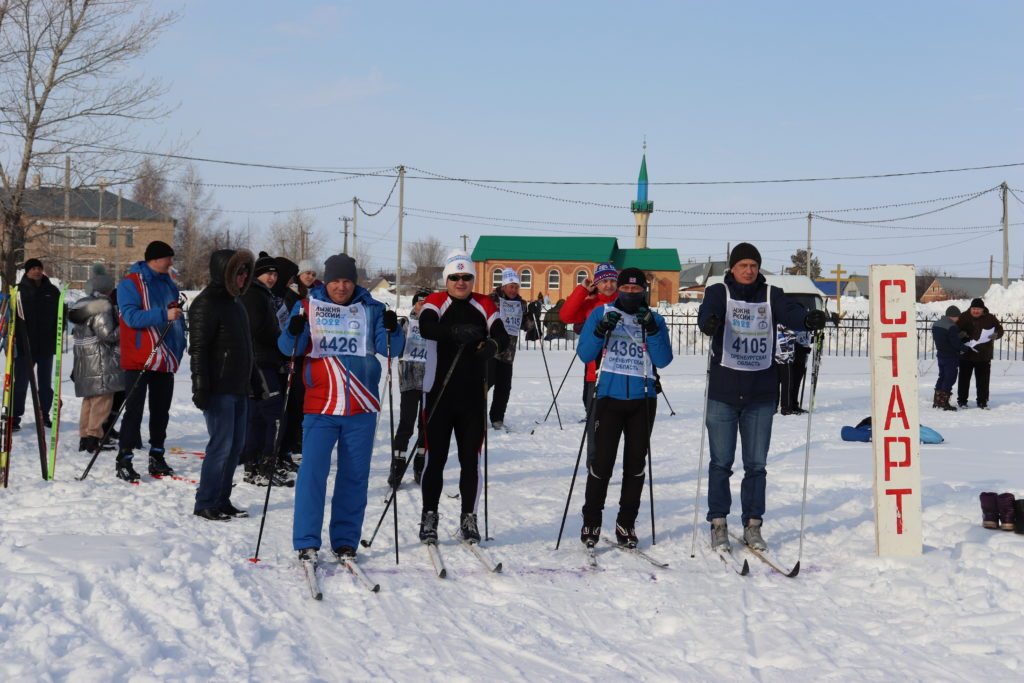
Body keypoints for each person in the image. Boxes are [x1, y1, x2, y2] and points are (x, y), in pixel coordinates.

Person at [697, 243, 827, 552]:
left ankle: (753, 524)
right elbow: (706, 315)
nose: (748, 270)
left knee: (756, 465)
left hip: (760, 394)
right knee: (721, 463)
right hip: (723, 393)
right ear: (732, 268)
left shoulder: (771, 294)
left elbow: (791, 312)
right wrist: (709, 323)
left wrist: (808, 320)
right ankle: (718, 522)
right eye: (742, 265)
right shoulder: (719, 292)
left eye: (753, 265)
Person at [279, 253, 402, 562]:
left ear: (354, 281)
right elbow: (287, 348)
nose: (341, 286)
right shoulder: (309, 306)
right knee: (312, 475)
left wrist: (393, 329)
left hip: (361, 405)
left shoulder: (372, 309)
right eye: (335, 280)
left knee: (354, 476)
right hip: (321, 404)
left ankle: (345, 541)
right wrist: (294, 329)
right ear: (327, 281)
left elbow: (394, 350)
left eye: (347, 280)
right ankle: (307, 540)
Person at [416, 250, 509, 544]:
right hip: (439, 393)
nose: (460, 282)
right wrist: (455, 332)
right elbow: (427, 327)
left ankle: (469, 517)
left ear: (473, 279)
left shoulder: (483, 302)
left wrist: (492, 346)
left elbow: (501, 334)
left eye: (466, 277)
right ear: (447, 279)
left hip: (472, 396)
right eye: (455, 277)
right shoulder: (435, 302)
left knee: (471, 460)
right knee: (436, 459)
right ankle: (429, 515)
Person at [576, 267, 672, 548]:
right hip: (608, 397)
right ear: (618, 289)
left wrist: (652, 330)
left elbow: (664, 359)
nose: (631, 293)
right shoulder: (602, 312)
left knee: (635, 465)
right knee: (601, 463)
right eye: (626, 289)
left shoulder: (654, 318)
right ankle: (591, 520)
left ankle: (626, 522)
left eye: (636, 289)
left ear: (644, 290)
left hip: (643, 400)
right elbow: (585, 354)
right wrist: (598, 331)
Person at [189, 249, 256, 520]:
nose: (243, 277)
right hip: (217, 387)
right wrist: (200, 386)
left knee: (236, 446)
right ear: (225, 273)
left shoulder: (236, 303)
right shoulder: (206, 303)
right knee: (221, 446)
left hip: (238, 386)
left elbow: (245, 348)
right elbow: (198, 349)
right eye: (238, 272)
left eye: (246, 272)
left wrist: (254, 381)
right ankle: (205, 501)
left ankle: (222, 499)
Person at [115, 240, 186, 482]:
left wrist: (180, 346)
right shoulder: (130, 283)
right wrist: (163, 314)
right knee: (133, 411)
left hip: (165, 357)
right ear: (155, 259)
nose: (171, 262)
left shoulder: (169, 284)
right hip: (139, 357)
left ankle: (157, 455)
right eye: (169, 258)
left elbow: (177, 320)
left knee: (161, 411)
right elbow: (131, 317)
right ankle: (124, 458)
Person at [240, 252, 291, 487]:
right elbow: (257, 329)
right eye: (268, 273)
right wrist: (280, 336)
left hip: (262, 360)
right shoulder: (254, 295)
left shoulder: (263, 294)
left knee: (259, 416)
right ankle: (264, 465)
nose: (272, 277)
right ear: (257, 274)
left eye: (275, 274)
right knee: (274, 414)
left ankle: (255, 465)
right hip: (259, 361)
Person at [560, 262, 618, 464]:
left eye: (612, 281)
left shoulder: (624, 302)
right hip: (595, 369)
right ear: (597, 283)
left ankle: (610, 462)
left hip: (621, 370)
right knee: (595, 420)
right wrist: (582, 290)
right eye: (604, 281)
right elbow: (565, 316)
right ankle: (594, 463)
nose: (609, 285)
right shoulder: (589, 303)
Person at [68, 267, 124, 453]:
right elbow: (108, 334)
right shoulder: (103, 306)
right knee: (102, 401)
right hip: (101, 361)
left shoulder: (81, 304)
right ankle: (94, 437)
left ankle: (84, 437)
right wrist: (126, 326)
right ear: (107, 288)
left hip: (84, 361)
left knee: (89, 400)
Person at [387, 289, 432, 489]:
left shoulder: (436, 324)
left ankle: (421, 460)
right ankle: (398, 461)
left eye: (427, 302)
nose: (423, 305)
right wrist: (392, 331)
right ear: (414, 305)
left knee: (427, 424)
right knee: (407, 422)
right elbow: (395, 345)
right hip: (410, 380)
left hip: (430, 381)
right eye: (420, 302)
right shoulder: (406, 324)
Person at [13, 258, 61, 432]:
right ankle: (15, 417)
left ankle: (44, 415)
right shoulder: (18, 291)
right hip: (24, 347)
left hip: (46, 347)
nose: (36, 271)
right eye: (32, 268)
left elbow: (60, 316)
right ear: (26, 271)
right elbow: (11, 319)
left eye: (39, 268)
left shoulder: (52, 291)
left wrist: (58, 335)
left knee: (45, 385)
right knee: (20, 384)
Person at [487, 268, 534, 430]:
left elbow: (526, 327)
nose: (514, 290)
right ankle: (474, 416)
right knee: (484, 384)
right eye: (511, 286)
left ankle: (497, 418)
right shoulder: (491, 299)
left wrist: (530, 315)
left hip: (508, 353)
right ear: (504, 285)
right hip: (490, 351)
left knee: (504, 387)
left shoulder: (520, 304)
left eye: (516, 287)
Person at [956, 298, 1004, 409]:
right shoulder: (964, 317)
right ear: (970, 308)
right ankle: (962, 401)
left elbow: (1000, 329)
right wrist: (961, 334)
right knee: (963, 380)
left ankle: (982, 402)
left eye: (978, 309)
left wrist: (996, 335)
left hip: (983, 355)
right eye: (973, 309)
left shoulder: (990, 318)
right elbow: (955, 331)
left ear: (983, 310)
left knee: (983, 381)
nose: (975, 311)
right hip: (966, 354)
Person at [932, 305, 967, 411]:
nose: (958, 319)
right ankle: (944, 402)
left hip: (941, 355)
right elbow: (955, 343)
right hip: (950, 356)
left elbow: (944, 338)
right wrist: (965, 348)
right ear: (953, 316)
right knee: (949, 378)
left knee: (942, 376)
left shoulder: (936, 324)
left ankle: (937, 400)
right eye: (958, 317)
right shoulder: (952, 326)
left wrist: (958, 335)